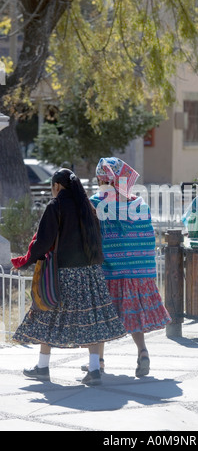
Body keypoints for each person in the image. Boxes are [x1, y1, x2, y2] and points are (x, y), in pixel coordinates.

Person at [12, 169, 126, 385]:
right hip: (90, 273)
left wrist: (25, 262)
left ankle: (43, 367)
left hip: (63, 272)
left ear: (56, 186)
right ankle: (94, 370)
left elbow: (44, 241)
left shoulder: (56, 206)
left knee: (47, 314)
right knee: (91, 319)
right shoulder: (88, 208)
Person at [83, 157, 171, 377]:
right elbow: (147, 235)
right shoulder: (139, 205)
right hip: (136, 272)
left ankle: (99, 361)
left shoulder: (95, 204)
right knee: (135, 314)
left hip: (107, 272)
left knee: (100, 316)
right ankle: (142, 352)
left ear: (103, 178)